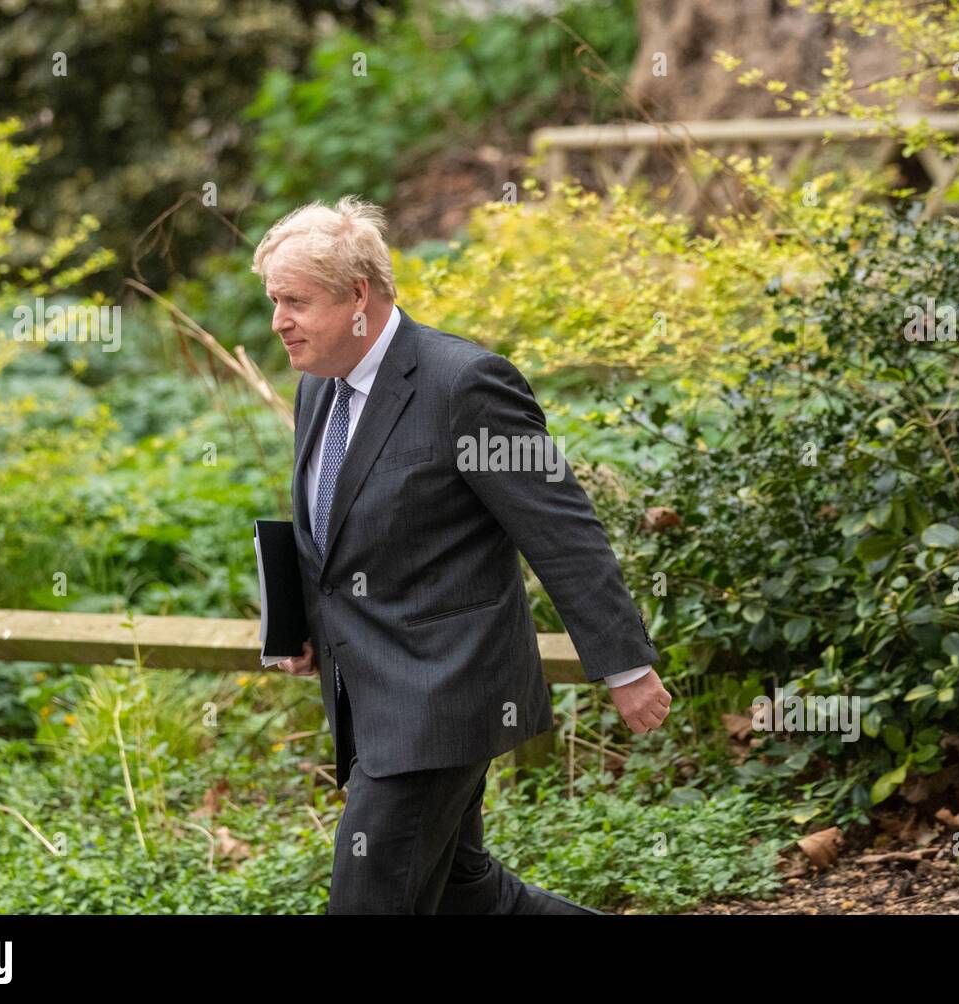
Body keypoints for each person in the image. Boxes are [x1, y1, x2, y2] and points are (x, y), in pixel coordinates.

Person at [251, 195, 672, 914]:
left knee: (369, 900)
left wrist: (625, 665)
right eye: (273, 300)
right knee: (463, 892)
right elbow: (336, 524)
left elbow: (560, 528)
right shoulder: (319, 386)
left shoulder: (465, 384)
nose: (277, 321)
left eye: (294, 301)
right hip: (368, 691)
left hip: (444, 690)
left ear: (358, 295)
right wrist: (301, 626)